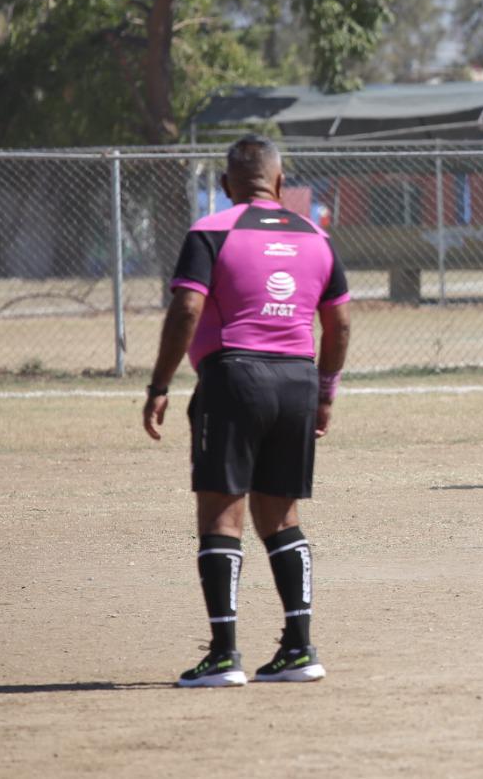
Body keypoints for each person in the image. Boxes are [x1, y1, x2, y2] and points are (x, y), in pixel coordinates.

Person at [141, 135, 352, 687]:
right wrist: (325, 392)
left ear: (225, 185)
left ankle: (222, 655)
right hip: (297, 382)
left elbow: (187, 308)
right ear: (280, 182)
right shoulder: (316, 237)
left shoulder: (211, 232)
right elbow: (340, 323)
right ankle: (300, 649)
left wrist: (159, 383)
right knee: (281, 517)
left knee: (221, 516)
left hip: (233, 378)